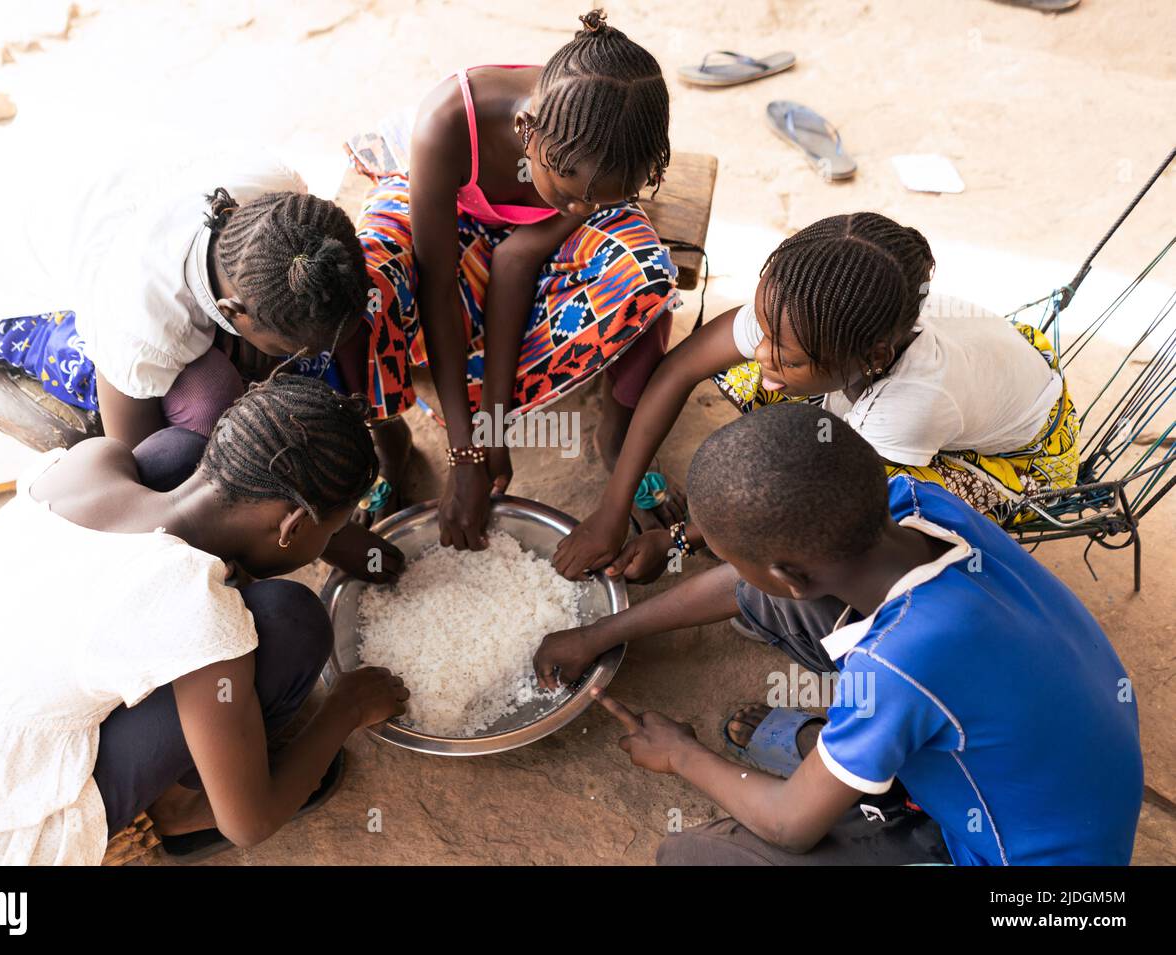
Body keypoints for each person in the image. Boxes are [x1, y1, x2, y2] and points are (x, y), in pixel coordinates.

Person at [537, 405, 1143, 865]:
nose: (725, 567)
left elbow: (787, 825)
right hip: (1060, 777)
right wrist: (600, 633)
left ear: (788, 573)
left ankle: (880, 788)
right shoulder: (920, 503)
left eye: (730, 555)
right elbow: (746, 585)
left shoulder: (898, 664)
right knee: (795, 611)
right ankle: (860, 764)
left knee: (697, 857)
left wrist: (680, 755)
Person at [0, 375, 409, 864]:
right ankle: (179, 813)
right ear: (291, 526)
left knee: (172, 452)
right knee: (293, 622)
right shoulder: (196, 614)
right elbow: (250, 822)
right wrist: (345, 708)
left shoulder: (89, 462)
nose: (331, 544)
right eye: (332, 531)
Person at [0, 146, 403, 582]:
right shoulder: (139, 332)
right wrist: (328, 537)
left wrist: (380, 423)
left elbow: (332, 328)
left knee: (307, 362)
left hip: (101, 222)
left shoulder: (282, 202)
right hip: (12, 298)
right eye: (289, 346)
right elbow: (151, 467)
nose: (302, 355)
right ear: (233, 311)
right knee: (208, 408)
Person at [553, 212, 1080, 589]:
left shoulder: (911, 404)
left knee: (833, 526)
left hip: (1018, 454)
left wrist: (677, 540)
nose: (761, 351)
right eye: (761, 328)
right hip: (973, 378)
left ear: (870, 357)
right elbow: (678, 371)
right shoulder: (808, 308)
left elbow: (825, 498)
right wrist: (611, 507)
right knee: (765, 389)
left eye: (788, 354)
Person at [339, 8, 684, 543]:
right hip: (448, 221)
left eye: (599, 199)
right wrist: (465, 448)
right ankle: (389, 442)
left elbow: (515, 261)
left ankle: (615, 438)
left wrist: (493, 428)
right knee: (367, 281)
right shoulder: (449, 122)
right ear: (527, 133)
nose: (580, 207)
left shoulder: (607, 156)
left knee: (647, 276)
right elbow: (435, 282)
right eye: (569, 192)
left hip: (526, 246)